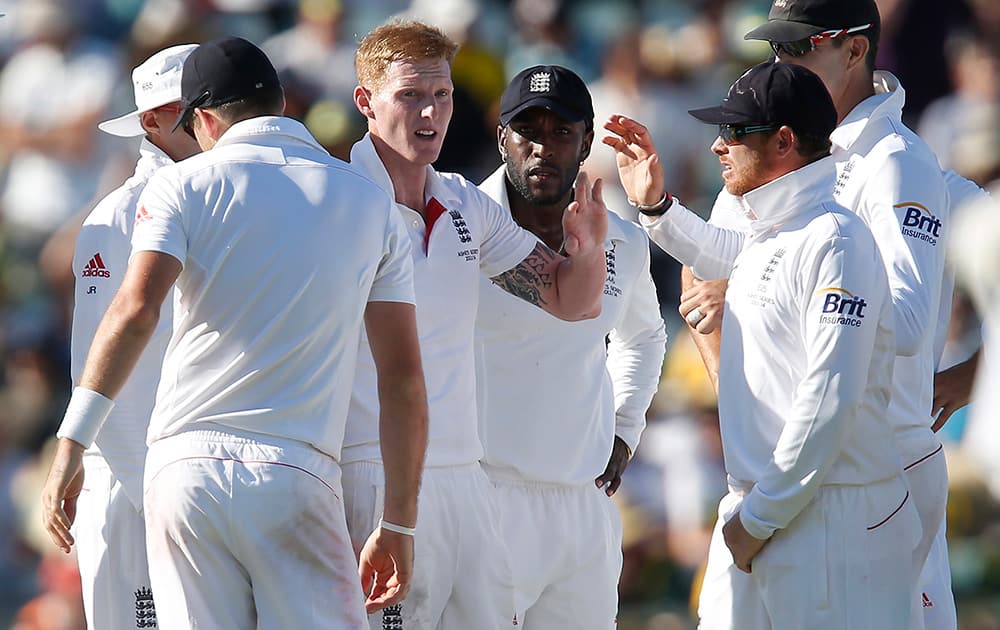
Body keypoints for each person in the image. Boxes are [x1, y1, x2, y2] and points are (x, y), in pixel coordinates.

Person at [39, 37, 429, 628]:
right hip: (284, 472)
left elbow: (133, 313)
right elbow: (400, 378)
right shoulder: (369, 202)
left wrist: (70, 442)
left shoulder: (181, 186)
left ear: (202, 117)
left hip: (180, 472)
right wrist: (399, 522)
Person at [645, 1, 971, 625]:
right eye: (776, 48)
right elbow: (714, 265)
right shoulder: (765, 134)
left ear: (855, 49)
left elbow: (901, 325)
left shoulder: (897, 160)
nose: (782, 60)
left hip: (875, 464)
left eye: (799, 47)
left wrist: (973, 373)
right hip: (772, 470)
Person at [610, 60, 919, 629]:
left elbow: (829, 398)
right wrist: (655, 206)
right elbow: (723, 253)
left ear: (783, 140)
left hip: (831, 515)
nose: (717, 146)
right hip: (766, 508)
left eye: (734, 132)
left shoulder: (836, 241)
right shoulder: (775, 231)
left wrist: (756, 521)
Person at [344, 20, 609, 630]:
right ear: (366, 102)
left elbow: (572, 302)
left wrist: (588, 248)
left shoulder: (465, 200)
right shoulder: (337, 201)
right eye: (410, 95)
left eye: (441, 95)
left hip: (467, 477)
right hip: (371, 474)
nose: (430, 112)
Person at [474, 64, 666, 628]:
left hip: (582, 507)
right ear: (501, 137)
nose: (543, 149)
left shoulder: (623, 242)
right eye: (527, 131)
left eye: (561, 133)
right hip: (483, 495)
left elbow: (645, 336)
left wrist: (626, 427)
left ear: (586, 143)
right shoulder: (460, 226)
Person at [61, 43, 201, 630]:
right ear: (152, 122)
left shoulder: (221, 195)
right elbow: (97, 360)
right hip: (133, 481)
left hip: (189, 483)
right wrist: (152, 496)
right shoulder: (119, 216)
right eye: (195, 107)